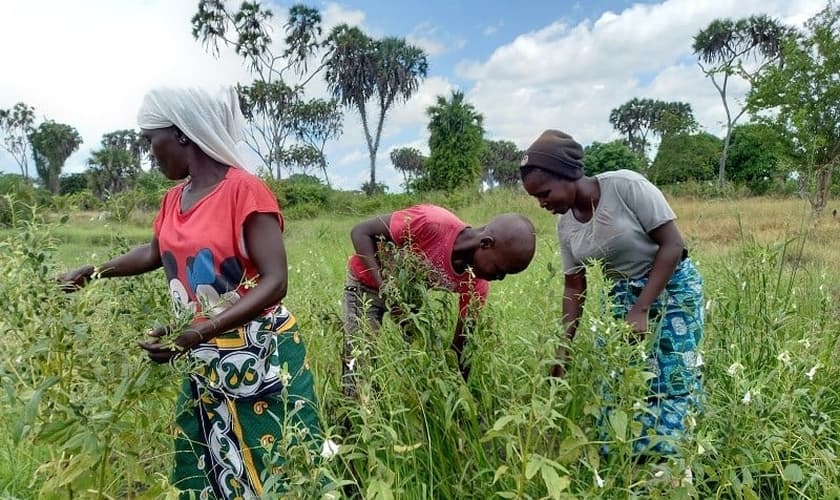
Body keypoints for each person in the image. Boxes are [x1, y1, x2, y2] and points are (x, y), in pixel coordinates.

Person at [59, 87, 323, 498]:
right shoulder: (173, 199)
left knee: (276, 470)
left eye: (151, 139)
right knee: (208, 464)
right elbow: (152, 252)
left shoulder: (244, 191)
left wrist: (196, 332)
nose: (150, 151)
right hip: (202, 357)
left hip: (260, 352)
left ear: (181, 134)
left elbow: (275, 281)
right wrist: (91, 272)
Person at [519, 129, 704, 457]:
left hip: (672, 287)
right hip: (621, 295)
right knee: (616, 377)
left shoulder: (625, 186)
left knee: (671, 377)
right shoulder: (565, 225)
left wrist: (642, 308)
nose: (542, 203)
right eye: (536, 198)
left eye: (544, 192)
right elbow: (574, 286)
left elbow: (673, 245)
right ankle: (622, 456)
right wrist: (563, 348)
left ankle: (672, 464)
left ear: (568, 175)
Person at [341, 204, 536, 398]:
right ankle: (351, 419)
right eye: (499, 269)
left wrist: (458, 395)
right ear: (485, 243)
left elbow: (461, 344)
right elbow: (360, 232)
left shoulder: (475, 283)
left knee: (422, 355)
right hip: (366, 285)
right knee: (360, 359)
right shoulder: (431, 222)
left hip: (407, 301)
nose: (499, 278)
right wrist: (388, 292)